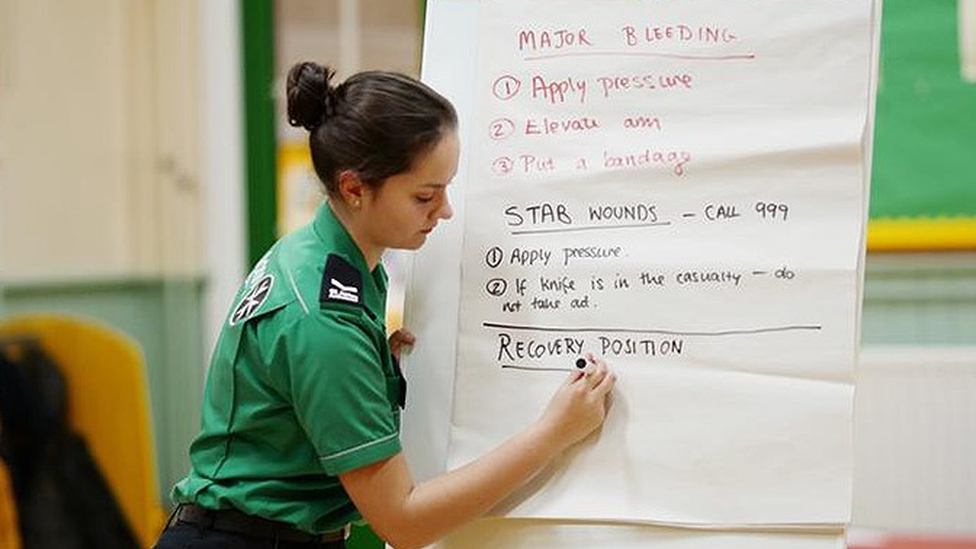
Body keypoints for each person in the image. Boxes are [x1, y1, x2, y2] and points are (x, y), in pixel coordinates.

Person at [152, 61, 616, 549]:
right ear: (354, 188)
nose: (445, 210)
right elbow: (403, 522)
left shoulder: (330, 261)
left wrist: (373, 363)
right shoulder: (324, 317)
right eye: (424, 196)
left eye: (446, 189)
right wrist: (553, 433)